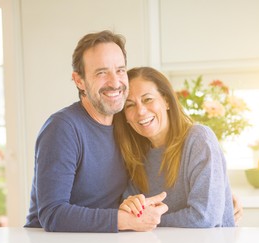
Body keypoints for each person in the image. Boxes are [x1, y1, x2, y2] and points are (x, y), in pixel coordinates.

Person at [24, 30, 168, 232]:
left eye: (120, 70)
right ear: (79, 81)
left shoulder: (126, 121)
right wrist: (124, 220)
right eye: (102, 73)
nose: (115, 82)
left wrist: (219, 194)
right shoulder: (63, 128)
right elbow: (52, 214)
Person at [114, 67, 235, 227]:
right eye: (130, 105)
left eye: (148, 99)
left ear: (167, 101)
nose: (141, 111)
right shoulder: (135, 156)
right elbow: (130, 215)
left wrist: (145, 221)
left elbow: (204, 217)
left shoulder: (199, 138)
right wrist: (131, 210)